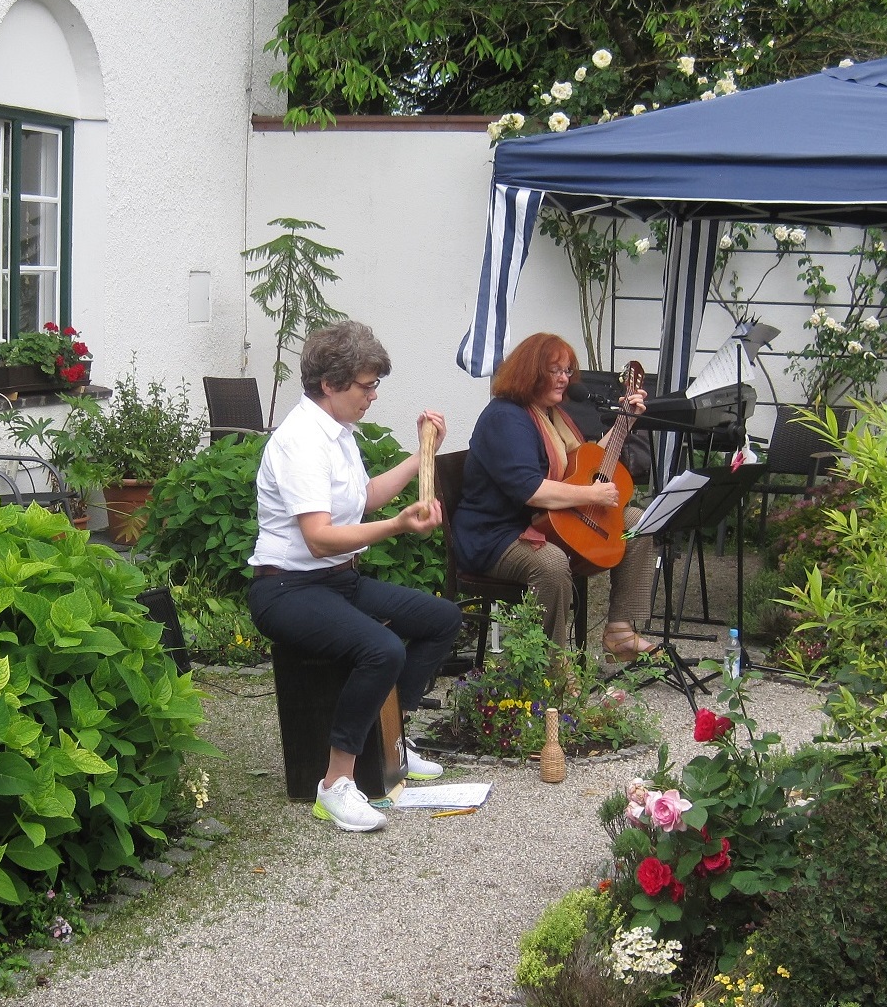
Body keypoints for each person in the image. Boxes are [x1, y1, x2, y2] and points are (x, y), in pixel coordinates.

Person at [247, 320, 461, 833]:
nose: (373, 396)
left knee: (441, 619)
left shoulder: (337, 432)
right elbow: (319, 537)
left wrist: (423, 455)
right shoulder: (301, 440)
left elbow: (363, 498)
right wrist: (397, 526)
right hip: (285, 589)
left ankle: (392, 742)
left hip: (336, 582)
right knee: (381, 650)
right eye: (366, 386)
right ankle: (335, 783)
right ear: (329, 384)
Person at [453, 332, 655, 661]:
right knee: (551, 563)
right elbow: (531, 490)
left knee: (638, 524)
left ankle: (620, 631)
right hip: (496, 535)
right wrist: (590, 494)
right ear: (530, 372)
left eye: (567, 370)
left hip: (549, 521)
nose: (564, 378)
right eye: (555, 370)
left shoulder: (551, 414)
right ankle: (551, 666)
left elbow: (587, 463)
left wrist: (625, 421)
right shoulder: (506, 418)